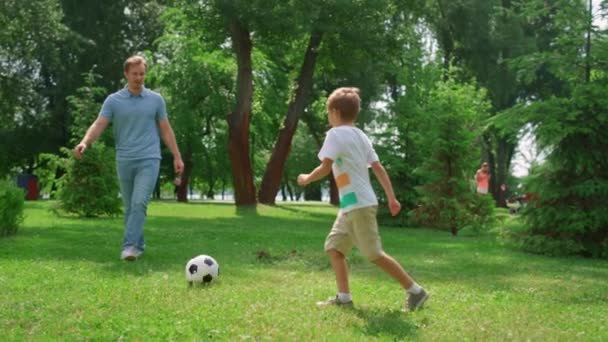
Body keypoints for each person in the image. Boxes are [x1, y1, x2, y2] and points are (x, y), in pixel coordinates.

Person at [297, 87, 429, 311]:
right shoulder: (362, 136)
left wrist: (307, 178)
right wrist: (391, 197)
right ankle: (344, 298)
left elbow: (325, 166)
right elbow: (378, 168)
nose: (328, 117)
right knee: (334, 248)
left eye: (329, 113)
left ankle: (416, 291)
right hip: (352, 204)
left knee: (374, 254)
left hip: (358, 205)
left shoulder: (335, 134)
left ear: (336, 112)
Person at [74, 55, 184, 261]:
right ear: (126, 74)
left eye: (142, 74)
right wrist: (85, 142)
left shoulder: (155, 100)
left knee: (139, 202)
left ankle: (130, 247)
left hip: (149, 158)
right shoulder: (114, 101)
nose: (139, 78)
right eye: (134, 74)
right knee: (130, 207)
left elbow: (166, 130)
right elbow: (99, 124)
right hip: (124, 160)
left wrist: (177, 156)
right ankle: (139, 245)